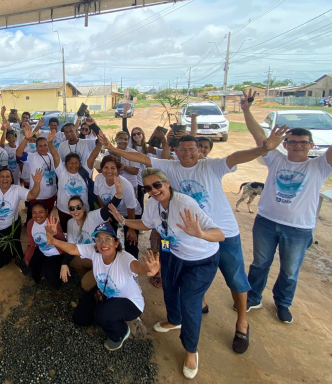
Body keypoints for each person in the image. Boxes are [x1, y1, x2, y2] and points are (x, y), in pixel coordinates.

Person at [100, 125, 289, 353]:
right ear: (176, 151)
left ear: (200, 150)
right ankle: (188, 311)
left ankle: (241, 322)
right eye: (183, 149)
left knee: (235, 279)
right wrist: (111, 148)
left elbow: (237, 156)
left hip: (222, 232)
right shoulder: (169, 168)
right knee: (172, 274)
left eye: (192, 149)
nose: (187, 153)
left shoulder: (211, 166)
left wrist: (262, 148)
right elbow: (141, 157)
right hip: (179, 236)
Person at [241, 90, 332, 323]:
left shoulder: (320, 166)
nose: (297, 146)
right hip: (267, 222)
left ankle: (283, 303)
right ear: (286, 143)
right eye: (291, 141)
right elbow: (259, 135)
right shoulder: (276, 158)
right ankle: (253, 297)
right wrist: (246, 110)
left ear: (311, 145)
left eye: (302, 142)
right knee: (260, 263)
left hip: (298, 228)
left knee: (290, 270)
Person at [112, 168, 225, 378]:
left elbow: (220, 235)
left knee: (190, 303)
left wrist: (199, 233)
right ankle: (174, 320)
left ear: (167, 183)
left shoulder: (185, 204)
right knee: (170, 290)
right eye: (148, 188)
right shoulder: (153, 205)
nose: (153, 190)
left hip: (200, 260)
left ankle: (191, 350)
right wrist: (124, 221)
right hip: (171, 253)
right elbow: (147, 224)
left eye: (157, 185)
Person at [46, 221, 160, 351]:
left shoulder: (124, 258)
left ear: (116, 243)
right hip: (105, 292)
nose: (103, 243)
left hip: (130, 302)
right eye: (99, 239)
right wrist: (54, 241)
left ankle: (121, 332)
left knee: (101, 315)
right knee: (79, 318)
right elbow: (73, 248)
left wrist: (147, 269)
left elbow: (137, 267)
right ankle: (107, 315)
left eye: (108, 239)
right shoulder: (94, 250)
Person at [62, 177, 125, 291]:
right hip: (88, 256)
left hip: (101, 257)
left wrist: (118, 195)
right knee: (73, 261)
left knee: (85, 284)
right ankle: (93, 277)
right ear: (69, 211)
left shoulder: (92, 217)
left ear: (83, 207)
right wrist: (63, 264)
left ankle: (101, 282)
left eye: (78, 207)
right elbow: (70, 246)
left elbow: (107, 210)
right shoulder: (70, 223)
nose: (75, 211)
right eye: (72, 208)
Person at [48, 133, 102, 228]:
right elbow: (56, 156)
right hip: (64, 210)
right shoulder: (61, 172)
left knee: (83, 232)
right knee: (66, 233)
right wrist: (50, 143)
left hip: (82, 210)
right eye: (70, 163)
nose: (74, 165)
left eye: (76, 163)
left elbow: (92, 157)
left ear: (80, 163)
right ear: (65, 164)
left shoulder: (85, 171)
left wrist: (100, 144)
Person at [94, 155, 138, 256]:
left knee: (131, 241)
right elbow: (98, 197)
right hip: (111, 212)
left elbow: (131, 208)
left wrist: (131, 228)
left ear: (118, 170)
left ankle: (132, 263)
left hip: (129, 213)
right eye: (106, 167)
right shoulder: (98, 179)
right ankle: (112, 259)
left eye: (113, 168)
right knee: (109, 238)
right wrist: (105, 215)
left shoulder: (126, 186)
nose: (109, 171)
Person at [17, 130, 58, 216]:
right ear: (36, 147)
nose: (43, 148)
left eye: (45, 145)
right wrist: (26, 139)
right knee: (36, 217)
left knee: (47, 215)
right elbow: (19, 154)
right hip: (38, 196)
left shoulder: (51, 156)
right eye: (40, 146)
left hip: (51, 195)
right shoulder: (32, 157)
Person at [24, 206, 66, 289]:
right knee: (32, 270)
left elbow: (64, 240)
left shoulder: (52, 221)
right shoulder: (31, 223)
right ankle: (41, 273)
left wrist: (56, 233)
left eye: (41, 212)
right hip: (41, 250)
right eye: (34, 212)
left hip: (56, 253)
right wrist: (26, 259)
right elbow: (31, 244)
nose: (37, 215)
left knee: (53, 280)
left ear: (46, 212)